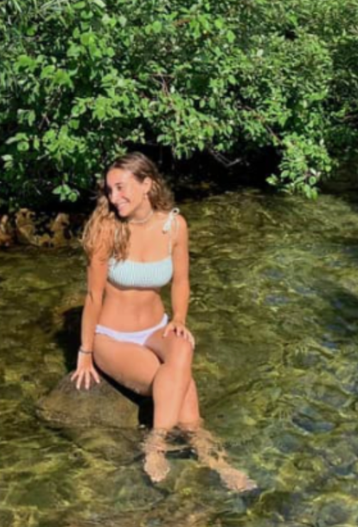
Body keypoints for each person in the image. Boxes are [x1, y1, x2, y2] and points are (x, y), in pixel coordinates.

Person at [71, 151, 255, 491]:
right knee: (179, 388)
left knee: (182, 347)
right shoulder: (106, 229)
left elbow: (181, 281)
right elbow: (94, 297)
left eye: (121, 187)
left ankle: (161, 442)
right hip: (112, 336)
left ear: (147, 185)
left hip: (156, 327)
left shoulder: (175, 226)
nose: (114, 196)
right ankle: (206, 458)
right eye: (109, 190)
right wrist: (85, 352)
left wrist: (180, 318)